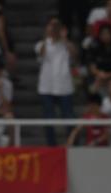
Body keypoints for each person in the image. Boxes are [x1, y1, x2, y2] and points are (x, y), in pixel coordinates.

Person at [35, 17, 75, 146]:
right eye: (52, 26)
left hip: (64, 86)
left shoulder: (66, 44)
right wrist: (47, 35)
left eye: (56, 26)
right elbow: (41, 52)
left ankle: (72, 143)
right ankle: (51, 146)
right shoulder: (42, 44)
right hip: (47, 87)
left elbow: (74, 54)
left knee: (69, 117)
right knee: (48, 118)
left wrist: (64, 38)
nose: (54, 29)